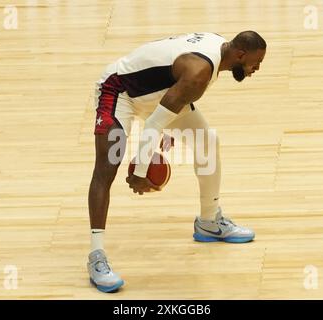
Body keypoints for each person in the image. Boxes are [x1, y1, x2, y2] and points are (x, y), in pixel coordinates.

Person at [87, 31, 266, 293]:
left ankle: (209, 221)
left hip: (157, 95)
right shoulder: (199, 73)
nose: (256, 69)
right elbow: (155, 123)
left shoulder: (217, 48)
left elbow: (168, 100)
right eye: (256, 62)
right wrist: (140, 169)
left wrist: (163, 138)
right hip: (119, 92)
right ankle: (96, 256)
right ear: (240, 55)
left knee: (206, 141)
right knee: (107, 167)